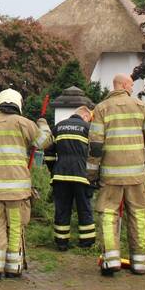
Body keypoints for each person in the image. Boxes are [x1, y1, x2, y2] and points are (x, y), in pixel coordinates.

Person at [0, 88, 52, 281]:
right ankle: (13, 267)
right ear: (18, 103)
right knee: (15, 226)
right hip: (17, 191)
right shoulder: (24, 123)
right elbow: (44, 142)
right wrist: (43, 125)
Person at [88, 74, 145, 276]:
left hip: (111, 176)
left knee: (109, 214)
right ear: (125, 85)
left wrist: (91, 174)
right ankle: (139, 263)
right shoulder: (142, 107)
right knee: (137, 214)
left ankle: (111, 261)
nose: (132, 87)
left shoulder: (101, 109)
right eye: (131, 84)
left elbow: (95, 147)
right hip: (136, 175)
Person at [45, 104, 97, 251]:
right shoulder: (88, 129)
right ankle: (86, 243)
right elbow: (95, 153)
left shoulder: (58, 127)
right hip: (81, 176)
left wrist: (53, 169)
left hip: (60, 176)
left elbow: (48, 152)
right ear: (86, 116)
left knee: (62, 209)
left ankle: (61, 242)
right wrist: (94, 176)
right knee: (84, 208)